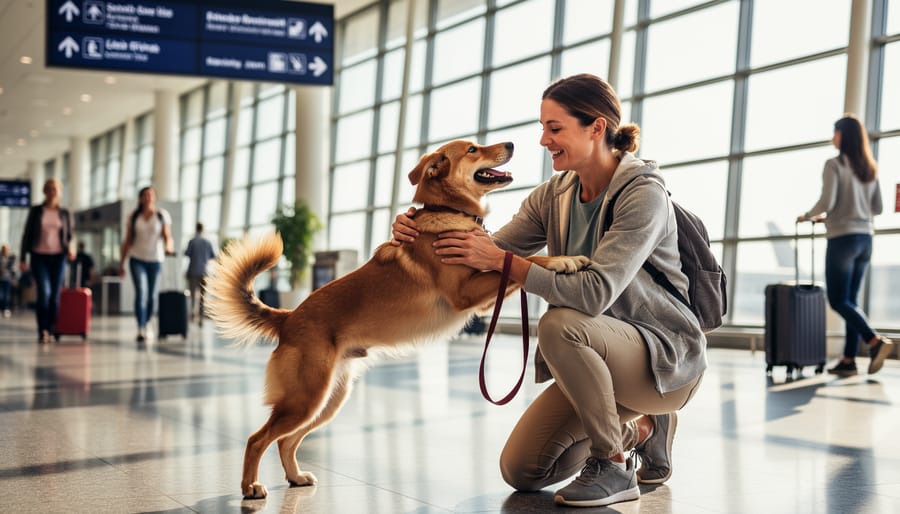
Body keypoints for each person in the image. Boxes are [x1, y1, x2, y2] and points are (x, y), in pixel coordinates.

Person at [392, 74, 706, 508]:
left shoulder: (642, 193)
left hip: (661, 362)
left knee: (560, 323)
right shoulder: (553, 195)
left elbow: (595, 294)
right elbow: (484, 252)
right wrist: (418, 229)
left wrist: (505, 264)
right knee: (522, 470)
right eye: (543, 127)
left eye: (554, 128)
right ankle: (644, 430)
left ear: (596, 128)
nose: (543, 140)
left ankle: (614, 464)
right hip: (596, 358)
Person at [797, 114, 891, 377]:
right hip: (865, 239)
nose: (832, 137)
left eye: (835, 132)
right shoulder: (869, 168)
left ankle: (873, 341)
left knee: (838, 300)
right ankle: (849, 360)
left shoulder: (835, 165)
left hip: (843, 240)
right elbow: (877, 208)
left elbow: (828, 200)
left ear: (843, 135)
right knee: (851, 300)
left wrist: (807, 215)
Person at [19, 178, 74, 342]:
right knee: (44, 293)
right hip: (39, 256)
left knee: (54, 296)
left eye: (55, 189)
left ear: (60, 192)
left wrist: (70, 249)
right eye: (49, 188)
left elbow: (69, 235)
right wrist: (23, 258)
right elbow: (27, 235)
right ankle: (42, 329)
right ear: (45, 191)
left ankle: (51, 328)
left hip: (58, 257)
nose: (52, 192)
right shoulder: (36, 211)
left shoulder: (65, 212)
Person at [119, 186, 174, 343]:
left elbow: (167, 236)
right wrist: (122, 264)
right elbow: (128, 241)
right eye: (145, 195)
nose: (148, 197)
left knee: (151, 295)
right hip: (136, 259)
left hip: (155, 260)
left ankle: (148, 322)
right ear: (141, 198)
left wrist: (169, 246)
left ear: (154, 197)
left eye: (150, 194)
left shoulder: (162, 215)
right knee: (141, 292)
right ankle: (140, 327)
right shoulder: (134, 216)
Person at [184, 222, 216, 325]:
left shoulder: (192, 241)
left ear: (196, 228)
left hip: (193, 271)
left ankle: (193, 315)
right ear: (203, 229)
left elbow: (187, 254)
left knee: (193, 295)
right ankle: (201, 318)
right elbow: (212, 256)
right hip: (204, 272)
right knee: (203, 296)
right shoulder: (208, 242)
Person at [0, 243, 15, 317]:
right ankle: (1, 309)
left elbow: (13, 270)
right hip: (1, 279)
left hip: (8, 279)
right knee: (1, 295)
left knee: (7, 295)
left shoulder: (11, 258)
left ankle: (5, 309)